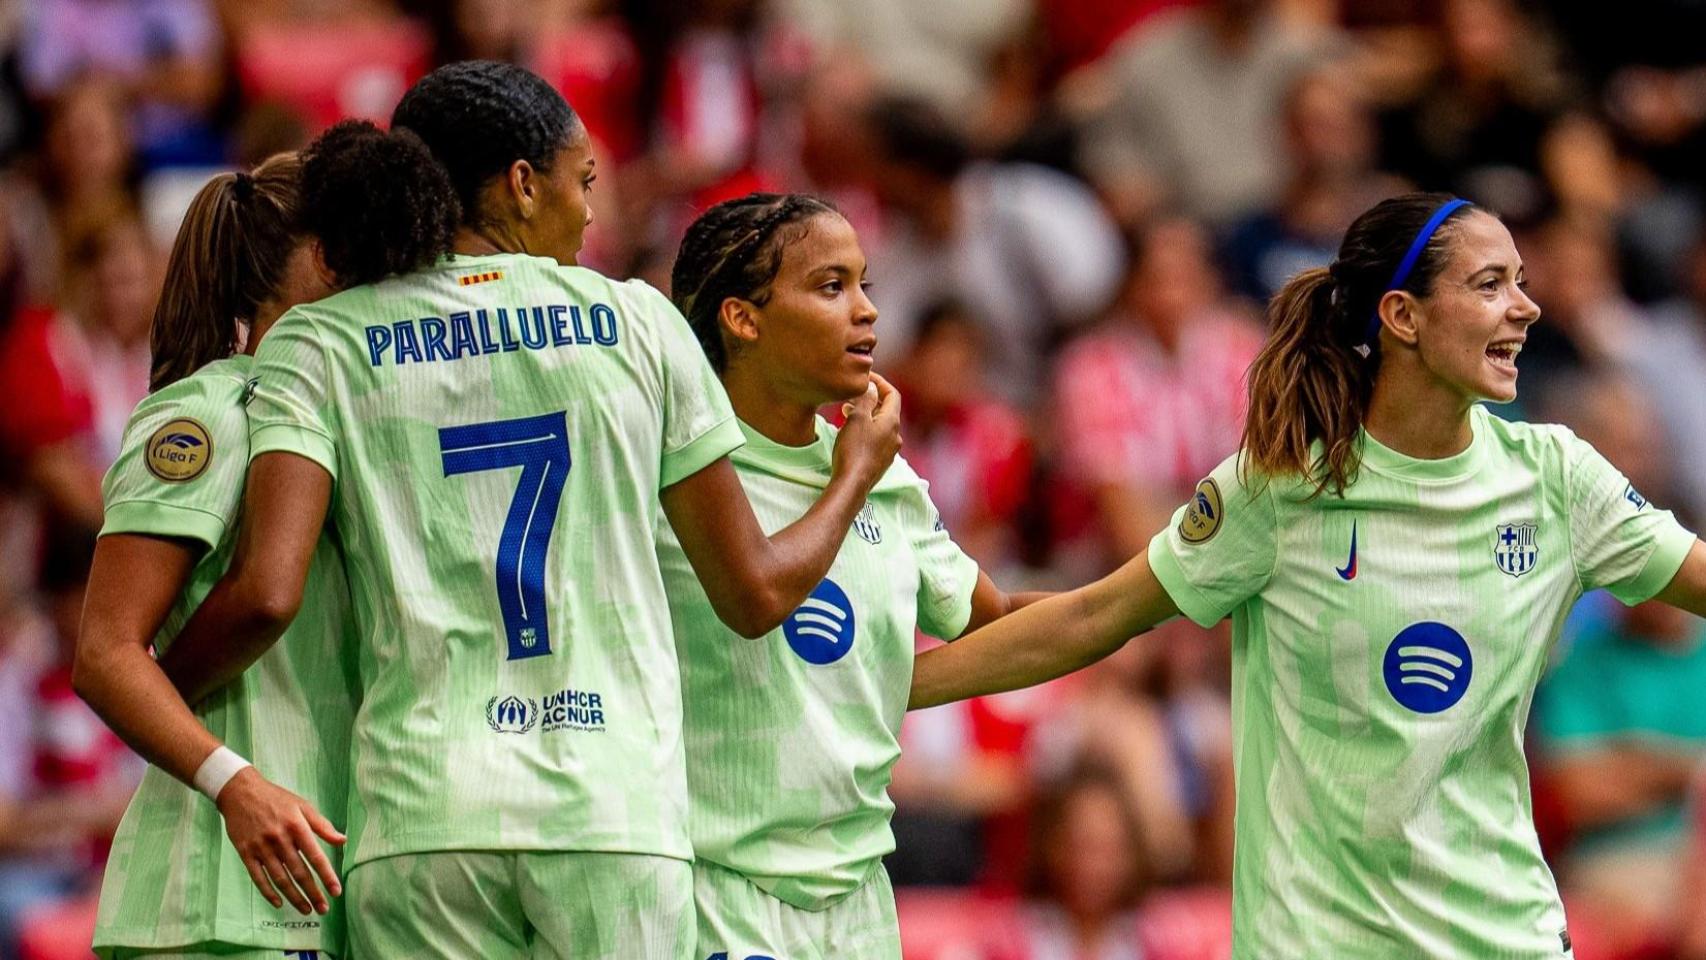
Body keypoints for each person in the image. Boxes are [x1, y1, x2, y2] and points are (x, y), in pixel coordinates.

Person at [156, 62, 901, 959]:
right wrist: (854, 473)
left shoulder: (321, 339)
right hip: (612, 816)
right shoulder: (640, 324)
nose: (590, 212)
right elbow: (755, 593)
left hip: (423, 817)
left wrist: (156, 693)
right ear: (522, 183)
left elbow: (266, 591)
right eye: (582, 181)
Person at [908, 192, 1706, 957]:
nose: (1526, 308)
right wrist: (898, 687)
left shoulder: (1557, 478)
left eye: (1522, 283)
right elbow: (1092, 617)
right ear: (1403, 316)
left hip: (1502, 940)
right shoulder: (1281, 490)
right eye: (1491, 284)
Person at [661, 192, 1045, 959]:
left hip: (859, 897)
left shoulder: (885, 474)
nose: (867, 311)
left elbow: (999, 622)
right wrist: (854, 477)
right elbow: (759, 597)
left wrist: (1165, 587)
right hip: (716, 892)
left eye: (864, 284)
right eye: (831, 286)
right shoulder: (676, 464)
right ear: (742, 319)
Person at [70, 150, 362, 959]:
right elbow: (104, 653)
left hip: (320, 881)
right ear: (324, 261)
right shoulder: (205, 417)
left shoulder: (347, 421)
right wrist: (235, 783)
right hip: (217, 889)